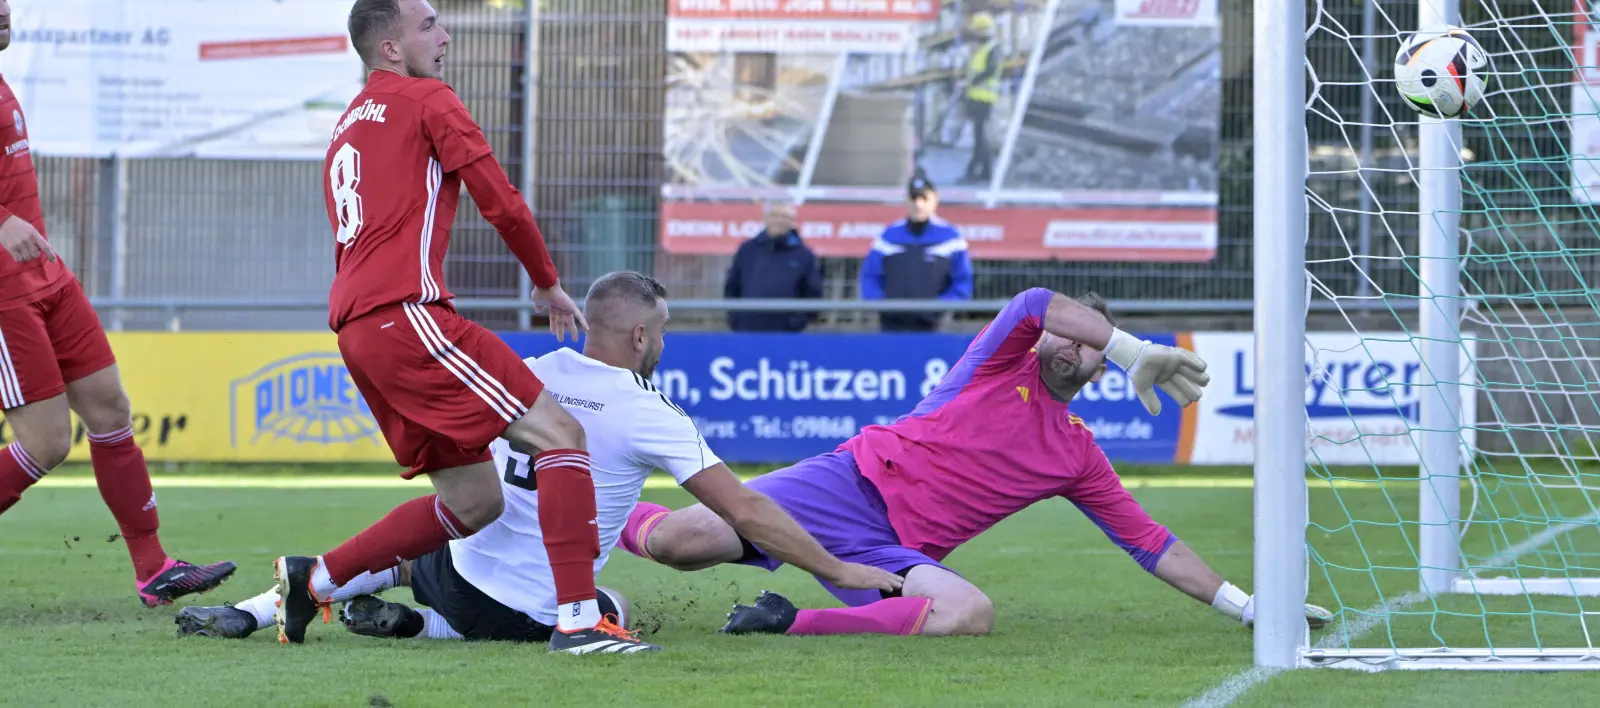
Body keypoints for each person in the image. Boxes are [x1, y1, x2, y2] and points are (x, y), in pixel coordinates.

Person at [176, 272, 899, 645]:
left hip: (450, 565)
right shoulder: (648, 410)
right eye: (665, 332)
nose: (667, 343)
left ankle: (260, 607)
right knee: (618, 607)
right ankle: (427, 630)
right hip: (529, 602)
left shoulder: (528, 371)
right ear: (642, 337)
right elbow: (742, 509)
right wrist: (836, 569)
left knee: (436, 534)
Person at [272, 0, 650, 654]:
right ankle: (576, 621)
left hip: (359, 331)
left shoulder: (349, 121)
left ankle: (316, 580)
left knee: (475, 503)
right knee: (561, 436)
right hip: (408, 316)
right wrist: (547, 282)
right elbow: (499, 198)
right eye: (429, 25)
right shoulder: (427, 99)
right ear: (391, 47)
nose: (443, 37)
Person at [618, 288, 1329, 637]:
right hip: (843, 486)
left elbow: (1151, 544)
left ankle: (782, 621)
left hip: (893, 550)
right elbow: (1030, 301)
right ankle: (600, 511)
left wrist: (1249, 608)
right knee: (676, 546)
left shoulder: (1077, 455)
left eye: (1087, 348)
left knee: (969, 615)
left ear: (1095, 371)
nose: (1068, 347)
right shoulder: (996, 364)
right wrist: (1129, 346)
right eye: (1071, 333)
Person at [0, 0, 236, 606]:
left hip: (48, 275)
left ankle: (154, 569)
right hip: (4, 295)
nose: (2, 10)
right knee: (47, 442)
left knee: (109, 409)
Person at [859, 176, 972, 332]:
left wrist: (941, 307)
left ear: (935, 200)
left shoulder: (951, 237)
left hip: (935, 327)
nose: (919, 204)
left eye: (925, 198)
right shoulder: (888, 236)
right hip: (891, 326)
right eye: (914, 198)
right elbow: (870, 275)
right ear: (906, 200)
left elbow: (962, 280)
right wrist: (881, 305)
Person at [724, 198, 822, 333]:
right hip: (746, 330)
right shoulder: (747, 250)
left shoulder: (804, 255)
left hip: (786, 336)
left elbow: (813, 294)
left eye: (785, 217)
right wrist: (736, 319)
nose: (779, 221)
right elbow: (732, 287)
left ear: (792, 221)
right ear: (765, 218)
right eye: (775, 215)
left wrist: (795, 324)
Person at [959, 14, 1001, 184]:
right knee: (979, 135)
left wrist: (970, 82)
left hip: (984, 98)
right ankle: (986, 172)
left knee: (980, 136)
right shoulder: (980, 49)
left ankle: (972, 171)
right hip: (975, 96)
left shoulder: (993, 48)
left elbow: (990, 70)